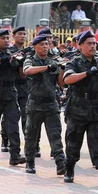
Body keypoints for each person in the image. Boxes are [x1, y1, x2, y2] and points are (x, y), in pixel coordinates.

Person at [62, 31, 98, 186]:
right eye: (89, 43)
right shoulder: (74, 62)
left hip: (95, 108)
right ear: (80, 45)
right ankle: (69, 168)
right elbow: (67, 79)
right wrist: (87, 73)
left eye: (94, 43)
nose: (92, 46)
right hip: (77, 108)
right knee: (73, 142)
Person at [22, 35, 66, 174]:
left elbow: (61, 83)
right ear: (34, 46)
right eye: (41, 44)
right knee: (31, 135)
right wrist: (46, 67)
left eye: (47, 44)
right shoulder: (30, 60)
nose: (45, 47)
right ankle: (30, 162)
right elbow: (27, 71)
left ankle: (60, 163)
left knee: (55, 135)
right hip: (35, 104)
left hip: (51, 104)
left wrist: (61, 68)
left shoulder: (52, 61)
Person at [0, 29, 25, 165]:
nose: (5, 40)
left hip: (10, 92)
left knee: (13, 125)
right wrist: (1, 60)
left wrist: (21, 62)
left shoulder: (12, 55)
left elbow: (22, 76)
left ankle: (15, 155)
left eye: (7, 38)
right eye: (2, 38)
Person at [1, 26, 28, 153]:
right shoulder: (9, 51)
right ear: (14, 36)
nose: (23, 36)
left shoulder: (28, 52)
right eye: (20, 34)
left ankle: (30, 142)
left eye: (24, 34)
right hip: (12, 85)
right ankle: (5, 139)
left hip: (24, 87)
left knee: (26, 115)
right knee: (10, 116)